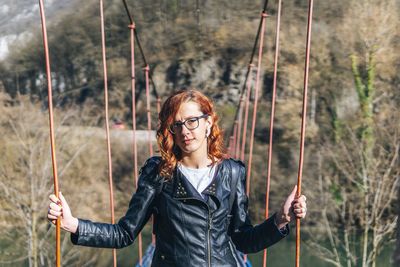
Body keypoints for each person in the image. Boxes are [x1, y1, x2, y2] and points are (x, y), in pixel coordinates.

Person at [47, 89, 307, 266]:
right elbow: (124, 234)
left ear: (208, 123)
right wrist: (72, 224)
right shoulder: (158, 173)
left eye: (192, 121)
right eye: (176, 125)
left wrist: (281, 219)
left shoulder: (232, 172)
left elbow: (243, 239)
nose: (185, 131)